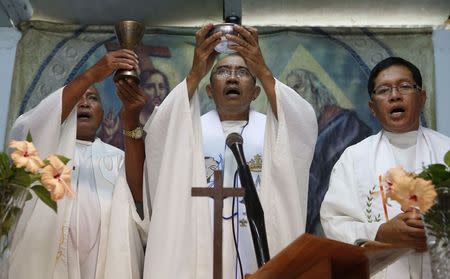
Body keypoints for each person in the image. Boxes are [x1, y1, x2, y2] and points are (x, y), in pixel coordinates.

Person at [132, 23, 318, 278]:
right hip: (197, 250)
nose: (232, 77)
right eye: (222, 71)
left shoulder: (273, 133)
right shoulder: (188, 132)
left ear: (255, 92)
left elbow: (303, 125)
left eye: (242, 72)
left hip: (259, 250)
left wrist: (261, 68)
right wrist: (196, 72)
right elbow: (157, 136)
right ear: (208, 90)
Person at [8, 50, 147, 279]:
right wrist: (92, 75)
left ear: (103, 113)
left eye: (93, 98)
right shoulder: (43, 150)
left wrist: (131, 117)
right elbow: (29, 127)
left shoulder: (118, 158)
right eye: (79, 96)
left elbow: (140, 196)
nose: (84, 103)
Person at [320, 57, 450, 279]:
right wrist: (380, 233)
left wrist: (436, 232)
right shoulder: (354, 158)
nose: (395, 95)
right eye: (383, 90)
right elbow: (334, 223)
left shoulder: (446, 150)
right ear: (372, 107)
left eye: (405, 86)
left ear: (422, 97)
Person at [286, 68, 372, 234]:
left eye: (299, 86)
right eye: (290, 90)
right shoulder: (301, 132)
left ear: (315, 89)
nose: (295, 95)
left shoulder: (346, 123)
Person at [99, 68, 170, 150]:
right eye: (150, 87)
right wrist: (108, 137)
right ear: (139, 90)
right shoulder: (125, 120)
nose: (157, 93)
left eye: (161, 87)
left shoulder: (170, 121)